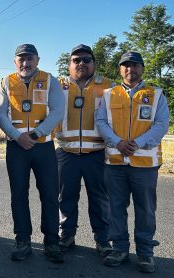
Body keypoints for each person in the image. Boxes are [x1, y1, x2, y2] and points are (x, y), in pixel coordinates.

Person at [96, 51, 169, 273]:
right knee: (116, 208)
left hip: (145, 165)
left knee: (145, 209)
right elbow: (100, 121)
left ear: (142, 68)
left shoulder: (156, 94)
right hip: (116, 162)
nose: (130, 69)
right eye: (126, 66)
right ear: (120, 69)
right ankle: (119, 248)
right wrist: (117, 142)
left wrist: (137, 143)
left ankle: (145, 253)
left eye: (135, 65)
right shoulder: (109, 94)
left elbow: (161, 124)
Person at [0, 44, 65, 263]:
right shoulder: (6, 82)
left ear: (37, 60)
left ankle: (51, 241)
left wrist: (35, 135)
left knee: (50, 195)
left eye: (30, 59)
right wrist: (16, 135)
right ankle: (22, 240)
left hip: (42, 146)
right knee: (18, 195)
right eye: (21, 59)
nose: (25, 63)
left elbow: (58, 111)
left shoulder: (50, 80)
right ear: (15, 61)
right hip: (16, 147)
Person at [55, 44, 113, 256]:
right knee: (65, 197)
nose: (81, 63)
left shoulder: (108, 86)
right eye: (76, 60)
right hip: (66, 152)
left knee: (99, 199)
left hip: (97, 153)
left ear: (94, 63)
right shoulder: (56, 86)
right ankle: (66, 235)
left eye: (86, 59)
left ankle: (103, 239)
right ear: (69, 64)